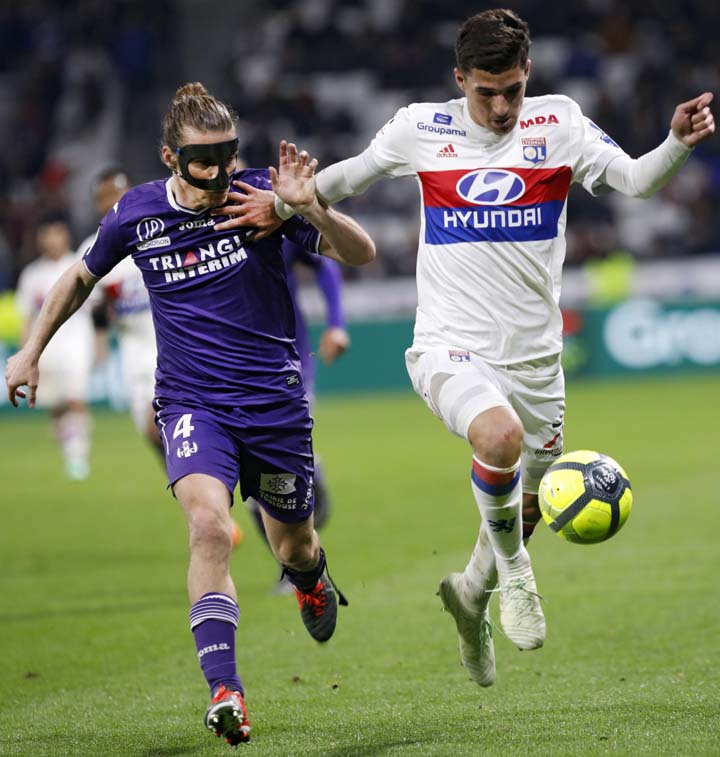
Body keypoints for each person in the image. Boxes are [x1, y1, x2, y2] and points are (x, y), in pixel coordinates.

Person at [214, 9, 715, 688]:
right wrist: (284, 205)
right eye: (486, 92)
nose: (502, 105)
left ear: (528, 74)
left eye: (512, 88)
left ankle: (471, 599)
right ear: (460, 80)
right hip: (449, 346)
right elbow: (345, 177)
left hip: (535, 361)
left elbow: (635, 180)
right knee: (499, 438)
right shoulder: (423, 128)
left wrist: (676, 142)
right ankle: (515, 578)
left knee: (526, 501)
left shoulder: (559, 121)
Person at [6, 82, 376, 746]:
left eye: (226, 155)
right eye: (200, 159)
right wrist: (31, 349)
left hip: (274, 407)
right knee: (208, 528)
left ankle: (310, 578)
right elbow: (79, 278)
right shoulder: (136, 214)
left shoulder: (262, 194)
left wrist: (310, 210)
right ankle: (225, 689)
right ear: (169, 155)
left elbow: (360, 253)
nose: (216, 173)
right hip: (192, 403)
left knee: (294, 542)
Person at [247, 239, 350, 591]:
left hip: (286, 362)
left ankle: (296, 563)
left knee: (273, 474)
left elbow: (325, 264)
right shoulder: (193, 224)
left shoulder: (270, 214)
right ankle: (291, 567)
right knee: (252, 486)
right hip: (226, 375)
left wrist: (336, 323)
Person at [80, 166, 165, 457]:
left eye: (119, 193)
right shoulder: (92, 249)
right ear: (97, 203)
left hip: (171, 341)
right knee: (150, 431)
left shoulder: (157, 233)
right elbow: (97, 306)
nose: (113, 201)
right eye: (106, 196)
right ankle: (191, 493)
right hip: (133, 351)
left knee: (166, 424)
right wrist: (101, 342)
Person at [15, 211, 94, 481]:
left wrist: (102, 341)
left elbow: (99, 307)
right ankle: (70, 446)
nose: (52, 239)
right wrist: (26, 353)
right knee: (56, 405)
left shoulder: (81, 264)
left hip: (78, 343)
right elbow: (27, 317)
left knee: (75, 399)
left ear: (65, 235)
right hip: (48, 349)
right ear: (40, 239)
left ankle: (78, 457)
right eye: (47, 234)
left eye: (56, 233)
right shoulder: (32, 275)